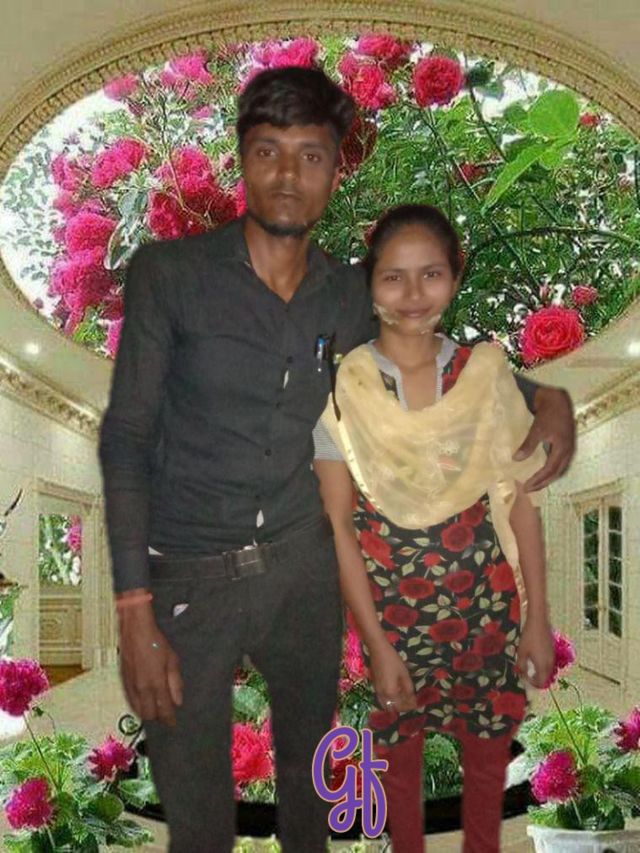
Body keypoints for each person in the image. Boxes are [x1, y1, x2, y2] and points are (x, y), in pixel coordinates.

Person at [98, 67, 574, 853]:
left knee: (310, 798)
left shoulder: (349, 295)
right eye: (268, 151)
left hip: (303, 576)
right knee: (199, 821)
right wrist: (132, 608)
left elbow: (432, 347)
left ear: (334, 171)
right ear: (242, 159)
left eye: (311, 155)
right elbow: (126, 438)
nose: (288, 174)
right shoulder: (170, 276)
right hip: (189, 581)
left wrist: (543, 395)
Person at [313, 204, 558, 852]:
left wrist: (537, 619)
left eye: (431, 274)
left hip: (486, 608)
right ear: (371, 284)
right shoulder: (344, 391)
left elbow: (520, 500)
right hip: (392, 615)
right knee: (401, 777)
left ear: (454, 277)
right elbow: (339, 524)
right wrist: (376, 644)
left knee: (487, 768)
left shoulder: (485, 376)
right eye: (393, 277)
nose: (413, 294)